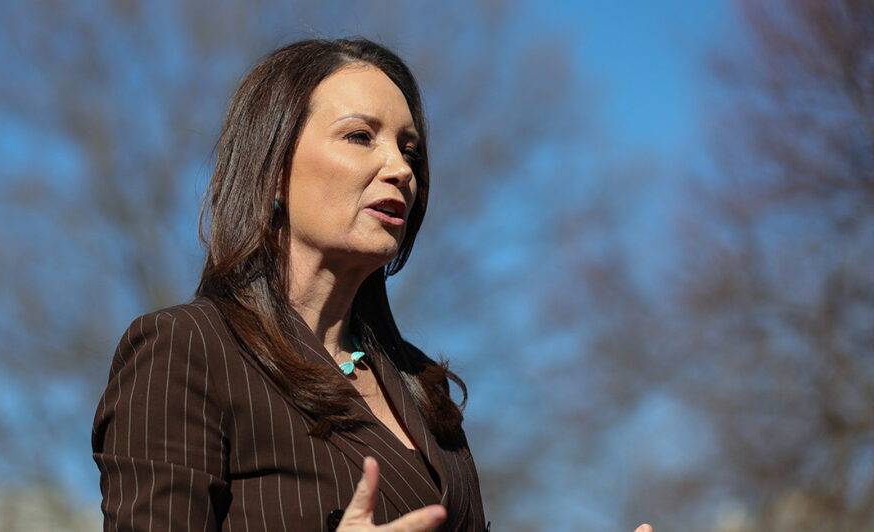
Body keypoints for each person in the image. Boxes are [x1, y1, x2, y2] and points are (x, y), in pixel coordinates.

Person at [91, 38, 652, 532]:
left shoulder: (421, 386)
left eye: (409, 148)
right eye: (360, 136)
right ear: (273, 171)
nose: (400, 168)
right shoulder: (186, 350)